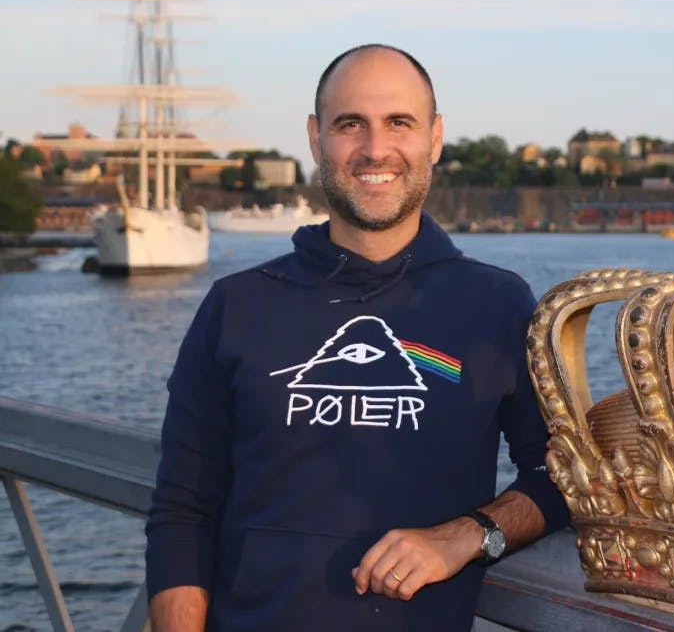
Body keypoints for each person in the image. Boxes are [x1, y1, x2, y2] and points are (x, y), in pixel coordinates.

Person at [145, 44, 568, 631]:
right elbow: (183, 509)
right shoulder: (238, 305)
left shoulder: (497, 305)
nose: (375, 149)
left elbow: (560, 480)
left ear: (435, 138)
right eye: (351, 125)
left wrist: (468, 537)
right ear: (317, 139)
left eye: (399, 123)